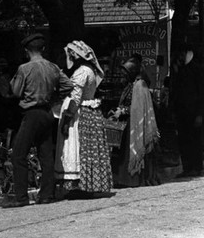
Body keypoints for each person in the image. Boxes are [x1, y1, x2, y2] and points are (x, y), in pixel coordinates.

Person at [6, 33, 71, 207]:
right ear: (42, 49)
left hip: (32, 114)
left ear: (27, 51)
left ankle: (21, 198)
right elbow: (68, 86)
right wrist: (54, 96)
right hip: (47, 113)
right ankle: (46, 195)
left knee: (19, 154)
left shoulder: (24, 69)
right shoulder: (53, 67)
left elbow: (17, 92)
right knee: (46, 155)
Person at [56, 41, 114, 197]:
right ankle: (87, 185)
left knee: (79, 147)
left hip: (81, 114)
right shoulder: (90, 70)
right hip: (89, 111)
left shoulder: (82, 71)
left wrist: (67, 120)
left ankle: (79, 186)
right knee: (88, 149)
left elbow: (76, 97)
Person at [116, 54, 160, 187]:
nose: (124, 76)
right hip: (128, 124)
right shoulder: (131, 85)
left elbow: (138, 108)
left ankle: (135, 179)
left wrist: (123, 111)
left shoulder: (140, 85)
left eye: (126, 73)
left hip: (135, 124)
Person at [171, 36, 204, 177]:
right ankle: (187, 167)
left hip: (194, 111)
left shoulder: (197, 68)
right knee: (183, 140)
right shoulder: (180, 68)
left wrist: (200, 113)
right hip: (182, 111)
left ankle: (196, 166)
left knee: (195, 140)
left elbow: (203, 93)